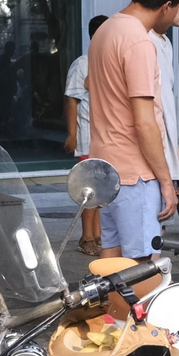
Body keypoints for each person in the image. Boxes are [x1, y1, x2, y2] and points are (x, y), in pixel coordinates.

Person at [86, 0, 179, 261]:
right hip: (136, 174)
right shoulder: (139, 42)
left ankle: (113, 311)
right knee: (143, 267)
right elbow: (145, 122)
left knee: (112, 261)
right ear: (166, 6)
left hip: (106, 169)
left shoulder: (106, 30)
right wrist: (166, 183)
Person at [64, 14, 109, 255]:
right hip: (87, 138)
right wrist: (72, 134)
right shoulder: (82, 64)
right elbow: (71, 100)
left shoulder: (110, 62)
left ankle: (99, 235)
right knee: (89, 191)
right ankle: (87, 237)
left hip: (107, 139)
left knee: (102, 189)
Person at [151, 1, 179, 211]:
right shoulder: (143, 41)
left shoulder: (165, 42)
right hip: (148, 169)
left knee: (158, 233)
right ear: (166, 4)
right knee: (147, 236)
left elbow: (167, 114)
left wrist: (178, 165)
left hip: (166, 163)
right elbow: (147, 118)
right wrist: (166, 178)